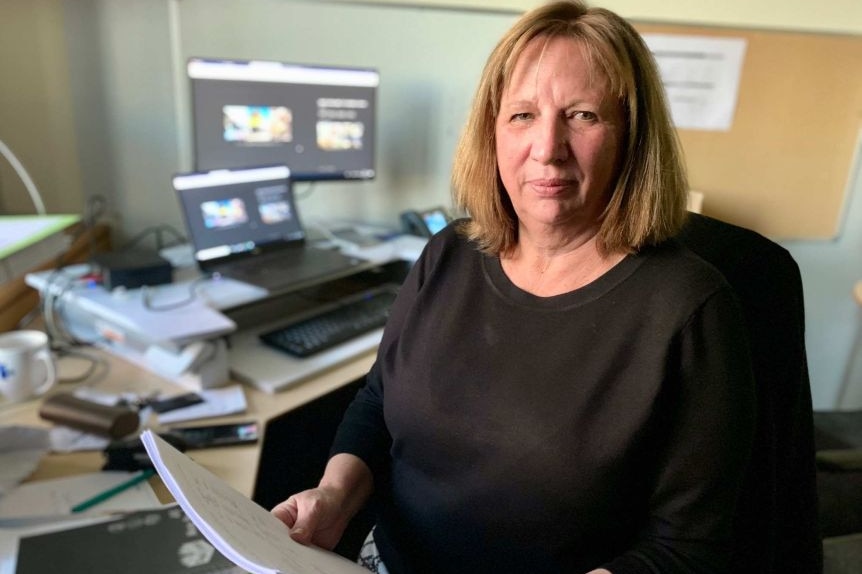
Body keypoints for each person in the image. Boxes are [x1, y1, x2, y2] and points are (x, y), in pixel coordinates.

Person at [271, 1, 757, 573]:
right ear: (492, 133)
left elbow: (687, 547)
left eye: (582, 115)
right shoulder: (446, 254)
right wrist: (333, 495)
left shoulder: (689, 308)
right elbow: (379, 403)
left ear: (632, 137)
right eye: (522, 115)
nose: (547, 147)